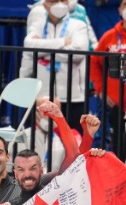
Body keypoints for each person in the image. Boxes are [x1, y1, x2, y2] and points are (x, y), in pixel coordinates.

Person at [19, 0, 90, 129]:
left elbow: (78, 54)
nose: (58, 4)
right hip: (41, 97)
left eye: (62, 0)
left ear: (68, 3)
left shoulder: (78, 26)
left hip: (72, 97)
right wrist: (63, 42)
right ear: (45, 5)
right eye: (53, 1)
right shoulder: (38, 25)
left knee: (73, 143)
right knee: (35, 142)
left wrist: (40, 51)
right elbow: (28, 48)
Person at [90, 0, 126, 156]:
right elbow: (94, 62)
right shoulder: (110, 36)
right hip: (115, 103)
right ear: (120, 10)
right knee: (116, 146)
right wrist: (101, 89)